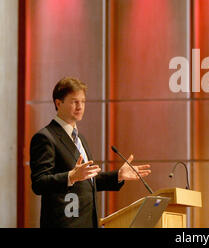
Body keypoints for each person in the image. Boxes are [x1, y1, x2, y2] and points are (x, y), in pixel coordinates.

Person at [30, 77, 151, 228]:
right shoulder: (46, 137)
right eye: (74, 101)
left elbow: (88, 182)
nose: (80, 106)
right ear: (58, 103)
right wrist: (71, 177)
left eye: (83, 101)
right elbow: (39, 183)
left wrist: (117, 175)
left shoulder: (80, 138)